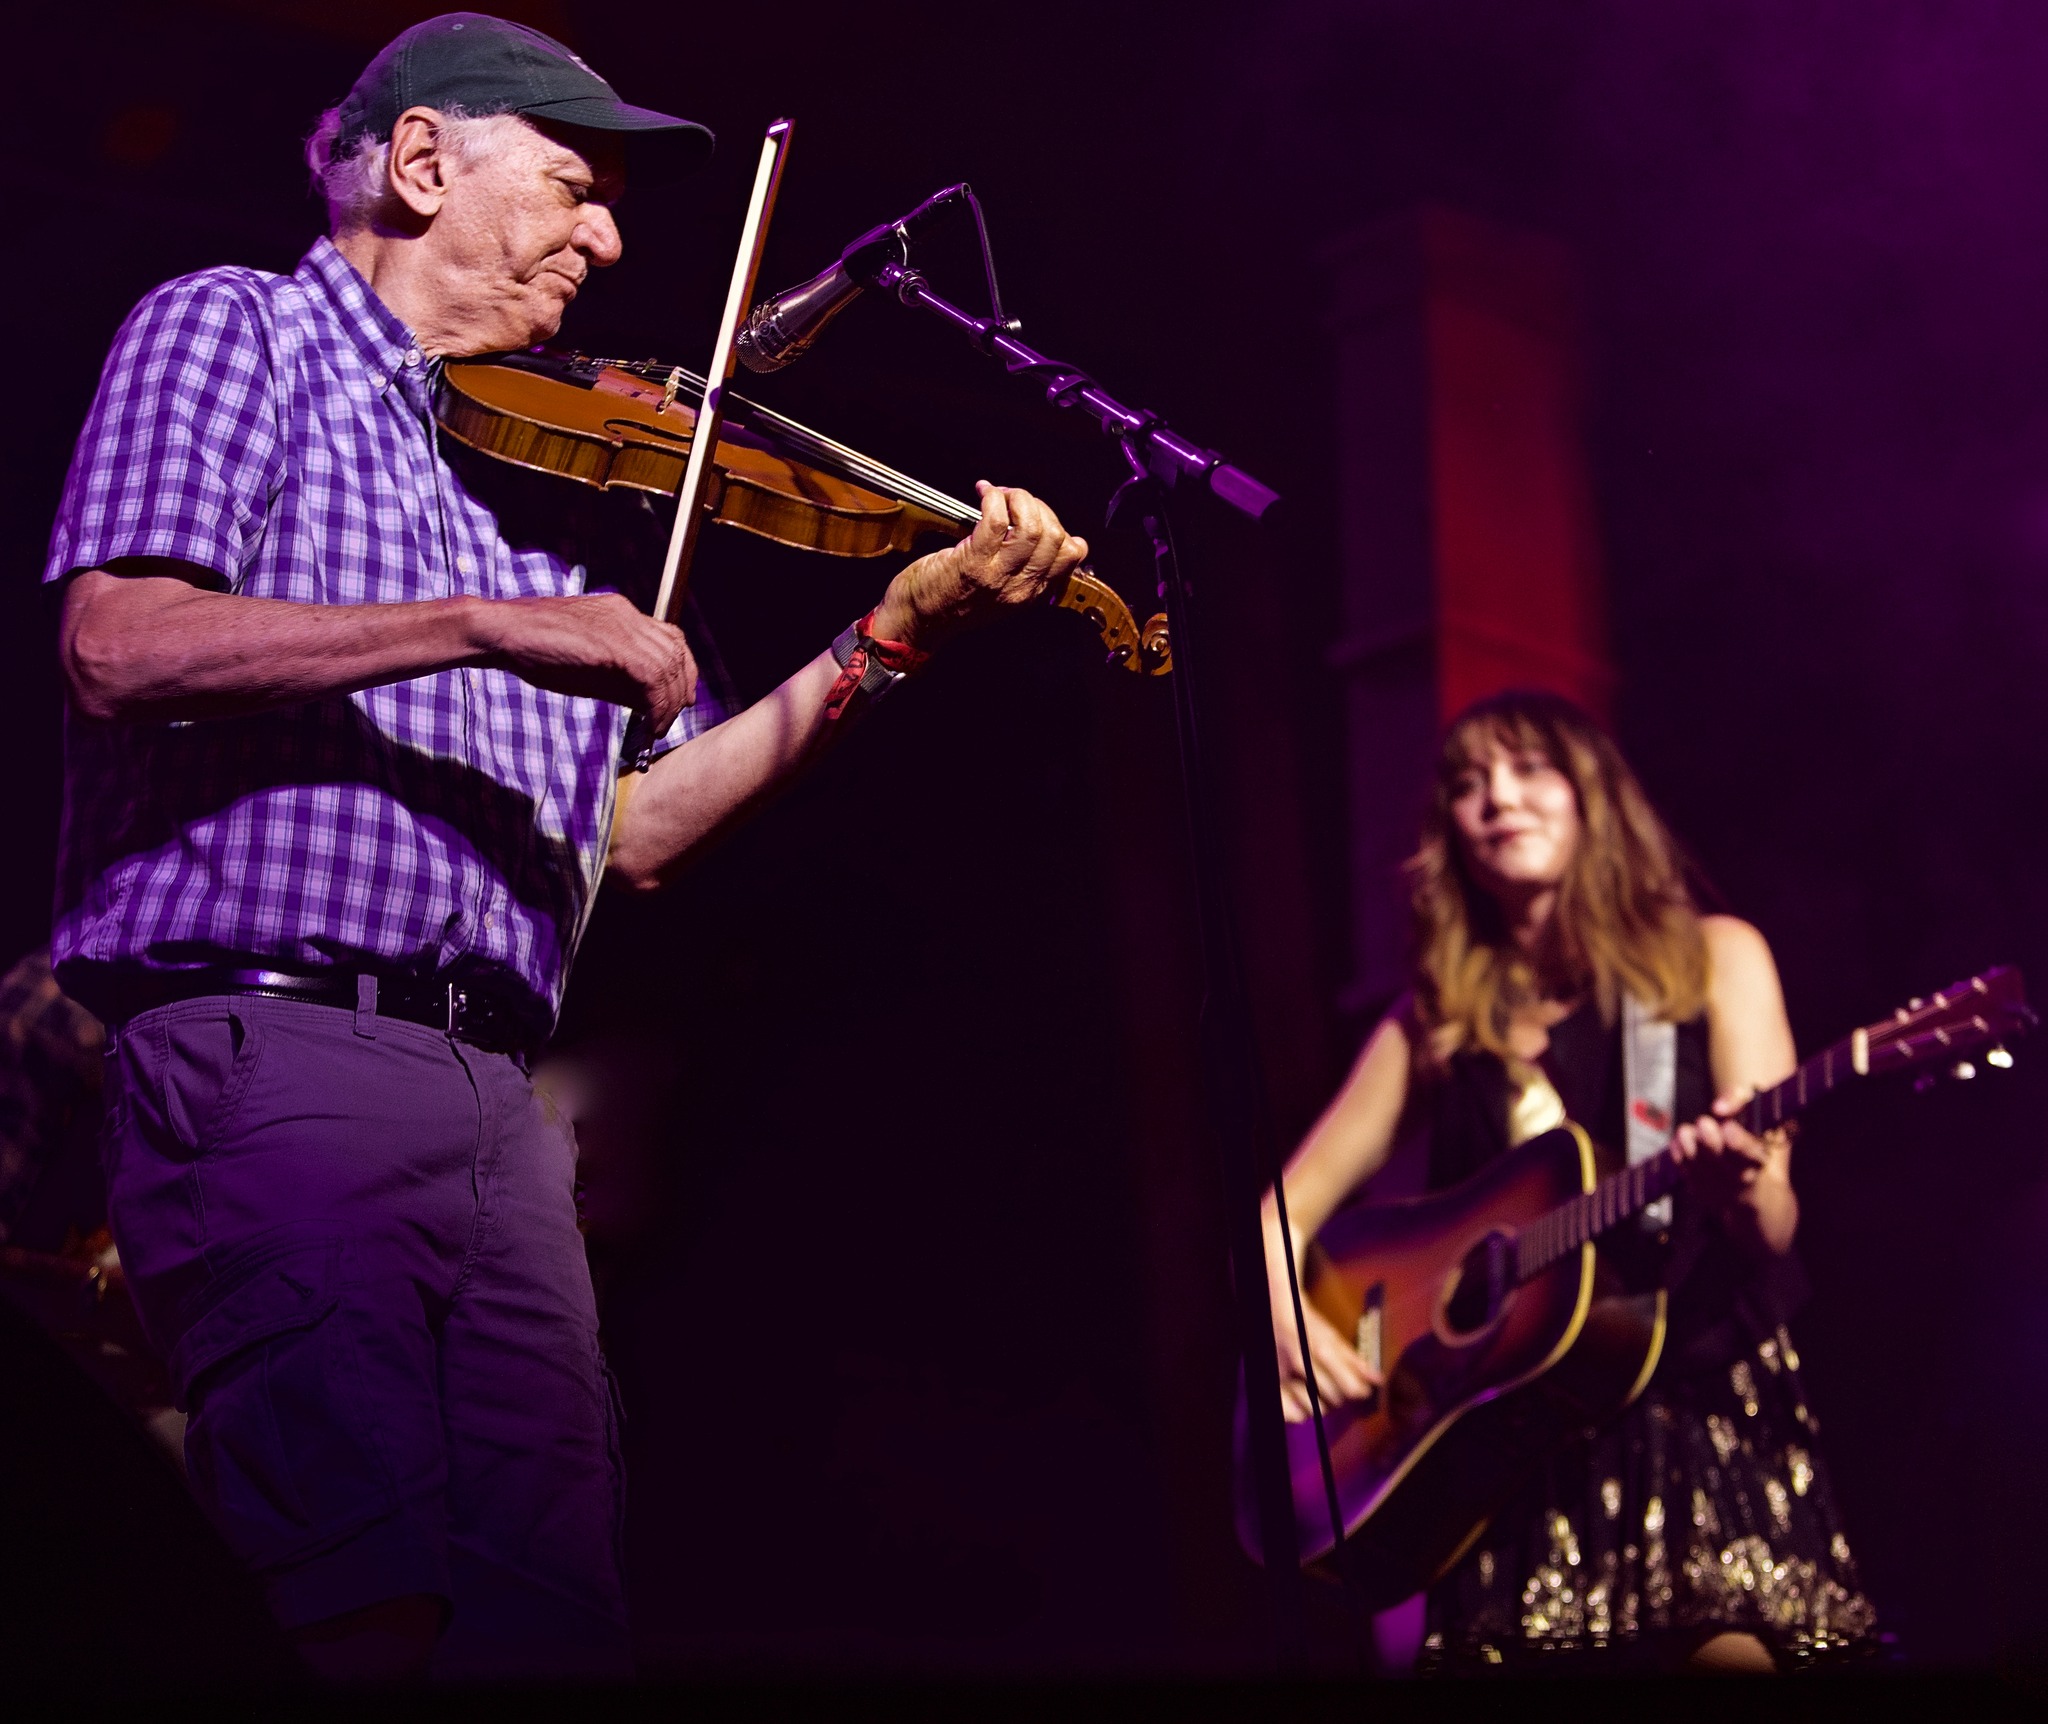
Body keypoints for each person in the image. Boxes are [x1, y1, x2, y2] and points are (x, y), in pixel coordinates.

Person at [43, 13, 1088, 1683]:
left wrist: (892, 632)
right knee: (354, 1597)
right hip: (273, 1048)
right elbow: (122, 643)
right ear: (420, 162)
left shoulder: (553, 488)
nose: (605, 237)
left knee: (551, 1625)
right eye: (572, 186)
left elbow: (639, 830)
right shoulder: (234, 331)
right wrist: (484, 624)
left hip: (500, 1108)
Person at [1264, 689, 1877, 1672]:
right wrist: (1284, 1314)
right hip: (1503, 1456)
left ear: (1592, 795)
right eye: (1465, 784)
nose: (1494, 798)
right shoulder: (1433, 1019)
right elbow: (1278, 1211)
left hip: (1691, 1408)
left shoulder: (1713, 957)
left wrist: (1736, 1184)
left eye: (1525, 769)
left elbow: (1770, 1228)